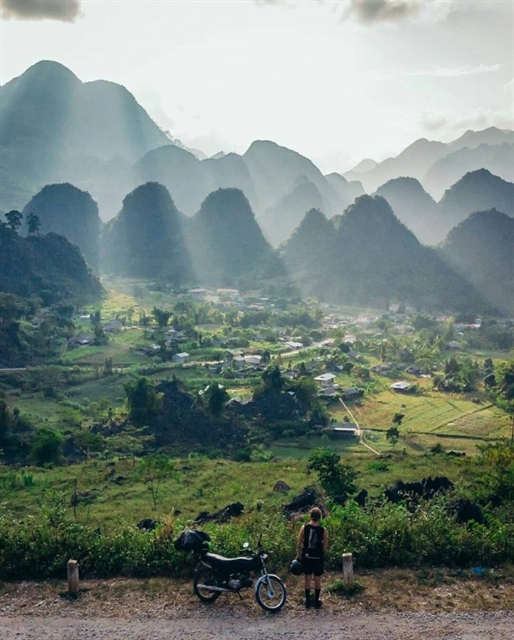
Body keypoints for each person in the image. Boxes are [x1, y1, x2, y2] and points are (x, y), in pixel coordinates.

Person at [296, 506, 328, 609]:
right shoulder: (323, 530)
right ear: (320, 517)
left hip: (307, 556)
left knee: (307, 579)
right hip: (318, 557)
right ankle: (317, 600)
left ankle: (308, 602)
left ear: (310, 516)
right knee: (317, 579)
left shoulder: (304, 528)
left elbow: (299, 543)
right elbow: (325, 546)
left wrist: (298, 555)